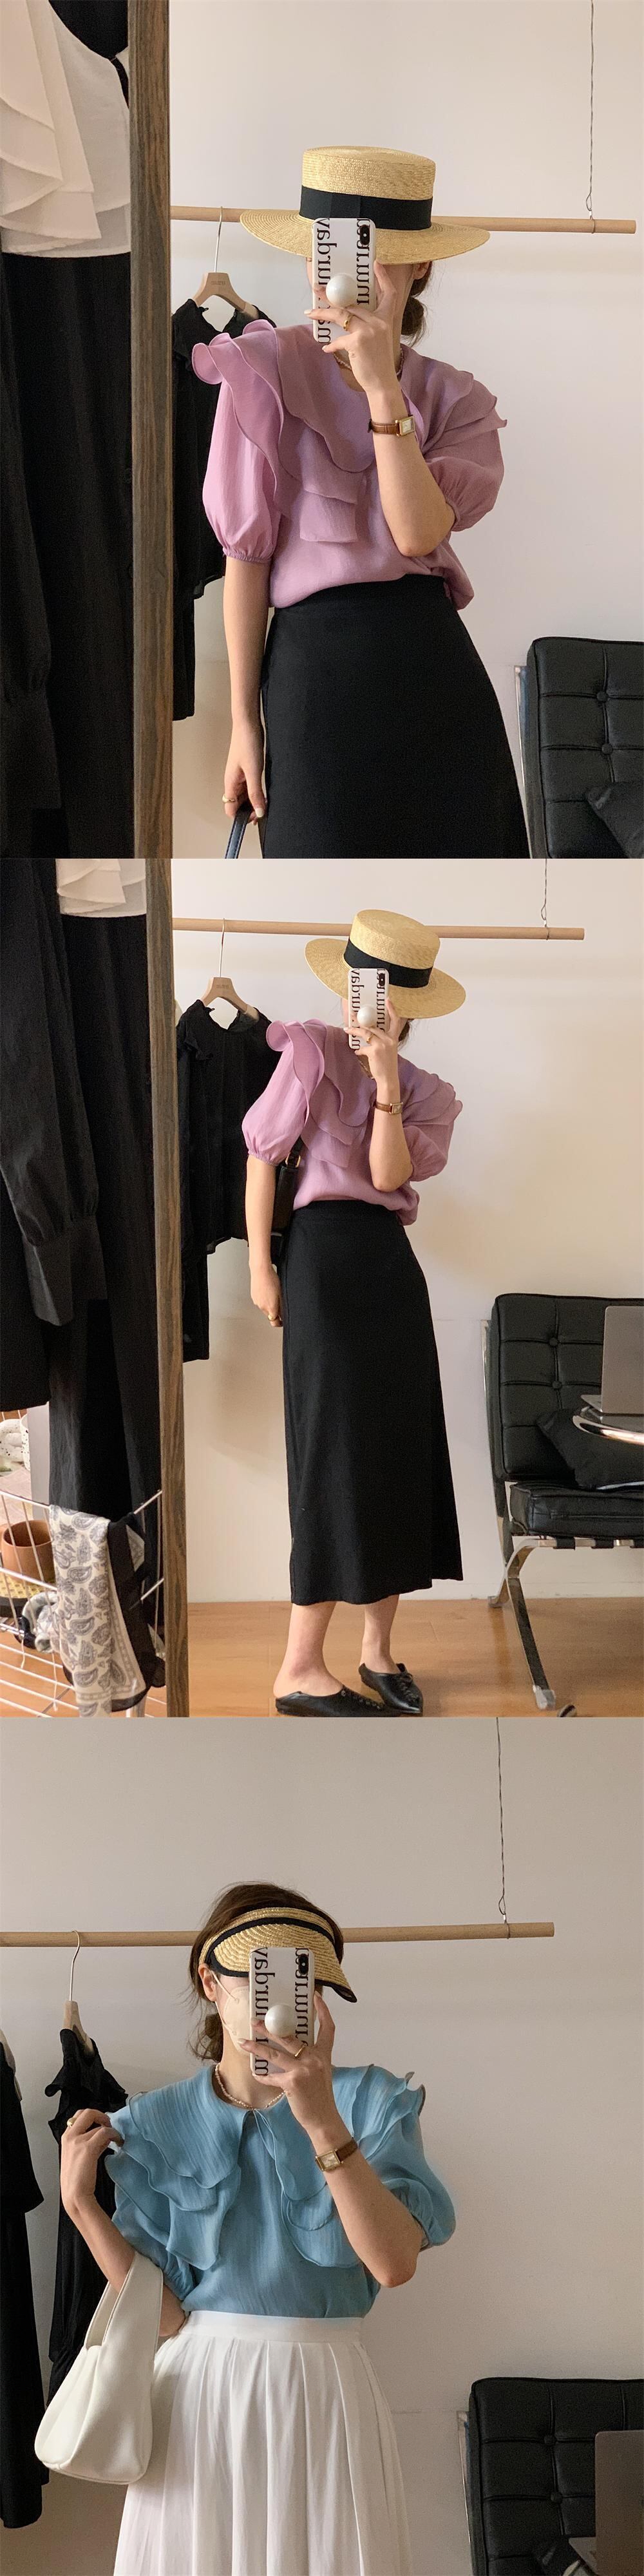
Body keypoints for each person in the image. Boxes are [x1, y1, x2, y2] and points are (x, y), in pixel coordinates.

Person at [59, 1880, 456, 2576]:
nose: (278, 2003)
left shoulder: (371, 2101)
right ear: (210, 1982)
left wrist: (321, 2118)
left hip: (326, 2391)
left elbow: (394, 2263)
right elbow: (168, 2317)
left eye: (305, 1981)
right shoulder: (154, 2122)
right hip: (201, 2399)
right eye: (258, 1976)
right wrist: (83, 2209)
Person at [192, 144, 529, 858]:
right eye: (330, 255)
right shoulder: (263, 371)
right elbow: (246, 560)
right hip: (312, 677)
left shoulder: (455, 397)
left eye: (373, 258)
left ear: (420, 265)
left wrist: (382, 389)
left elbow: (416, 534)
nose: (344, 278)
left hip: (433, 670)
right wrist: (244, 725)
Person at [243, 910, 465, 1714]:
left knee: (395, 1451)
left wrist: (386, 1082)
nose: (361, 1006)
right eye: (357, 988)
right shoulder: (307, 1050)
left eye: (379, 995)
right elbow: (263, 1155)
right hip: (320, 1264)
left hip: (388, 1269)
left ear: (406, 1008)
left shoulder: (429, 1094)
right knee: (332, 1453)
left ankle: (377, 1651)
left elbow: (388, 1174)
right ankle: (299, 1668)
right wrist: (261, 1267)